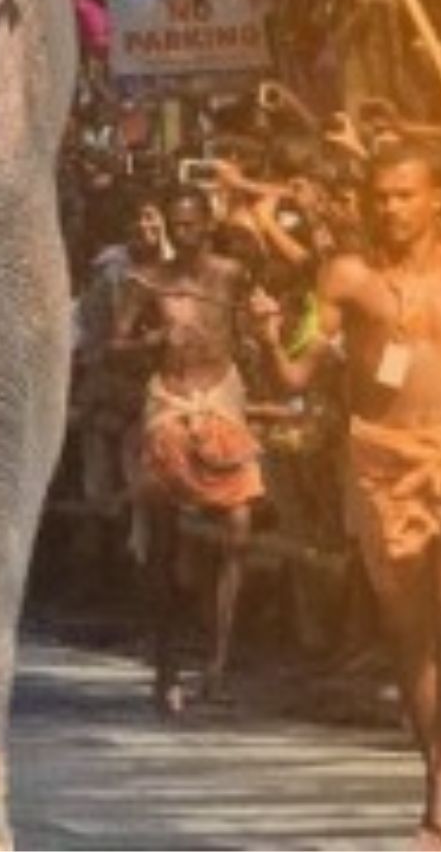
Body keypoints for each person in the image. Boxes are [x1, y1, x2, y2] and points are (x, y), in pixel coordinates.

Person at [255, 143, 441, 848]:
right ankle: (436, 768)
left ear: (437, 199)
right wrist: (273, 332)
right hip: (381, 456)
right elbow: (296, 375)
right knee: (410, 631)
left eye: (405, 194)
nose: (390, 208)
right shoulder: (348, 276)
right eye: (380, 195)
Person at [111, 186, 262, 713]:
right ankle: (167, 662)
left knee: (238, 525)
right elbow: (116, 342)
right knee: (160, 521)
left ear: (208, 222)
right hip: (171, 398)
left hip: (222, 394)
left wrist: (258, 334)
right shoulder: (147, 280)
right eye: (176, 226)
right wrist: (150, 344)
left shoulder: (231, 274)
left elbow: (249, 332)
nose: (184, 234)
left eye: (192, 224)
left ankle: (219, 663)